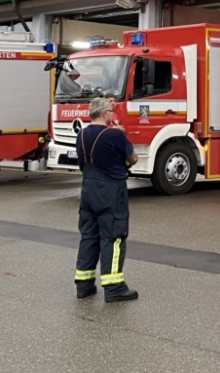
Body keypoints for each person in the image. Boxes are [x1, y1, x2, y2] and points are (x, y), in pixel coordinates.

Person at [74, 97, 139, 303]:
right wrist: (122, 137)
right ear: (104, 114)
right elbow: (134, 158)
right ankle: (114, 287)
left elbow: (82, 162)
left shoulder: (81, 134)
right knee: (113, 236)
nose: (112, 114)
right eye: (111, 111)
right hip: (111, 190)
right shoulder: (113, 134)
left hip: (88, 189)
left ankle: (84, 285)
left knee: (89, 236)